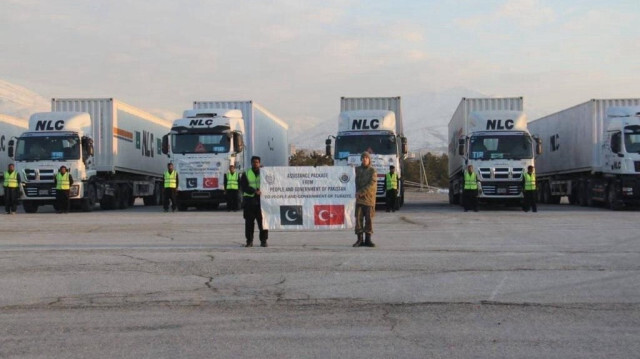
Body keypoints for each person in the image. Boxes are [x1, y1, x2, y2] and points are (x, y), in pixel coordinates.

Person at [240, 156, 268, 247]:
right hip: (249, 202)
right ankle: (249, 241)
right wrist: (254, 191)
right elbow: (243, 186)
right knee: (249, 223)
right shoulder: (246, 173)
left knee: (263, 223)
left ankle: (263, 241)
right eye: (254, 162)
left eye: (257, 162)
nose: (255, 163)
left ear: (259, 163)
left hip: (261, 202)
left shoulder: (264, 173)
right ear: (251, 163)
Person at [353, 151, 377, 248]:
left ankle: (368, 239)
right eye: (363, 158)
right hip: (359, 200)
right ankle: (359, 239)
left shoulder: (372, 171)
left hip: (368, 200)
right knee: (358, 220)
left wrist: (360, 192)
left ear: (369, 159)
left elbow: (371, 185)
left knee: (368, 220)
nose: (364, 159)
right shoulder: (357, 170)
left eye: (366, 158)